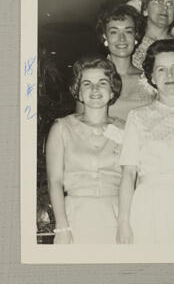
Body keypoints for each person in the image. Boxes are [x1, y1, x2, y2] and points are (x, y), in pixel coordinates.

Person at [117, 39, 174, 244]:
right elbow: (128, 174)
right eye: (161, 69)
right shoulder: (138, 117)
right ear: (151, 76)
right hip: (149, 207)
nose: (169, 75)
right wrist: (123, 222)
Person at [46, 57, 124, 244]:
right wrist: (62, 227)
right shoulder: (61, 128)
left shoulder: (126, 129)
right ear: (79, 92)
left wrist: (127, 222)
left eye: (102, 83)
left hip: (117, 217)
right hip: (75, 218)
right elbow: (54, 181)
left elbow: (132, 180)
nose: (95, 89)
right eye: (87, 84)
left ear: (112, 90)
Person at [94, 4, 155, 120]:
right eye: (114, 32)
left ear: (136, 37)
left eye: (128, 31)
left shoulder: (149, 79)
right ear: (105, 37)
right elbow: (80, 128)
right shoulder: (92, 78)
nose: (122, 38)